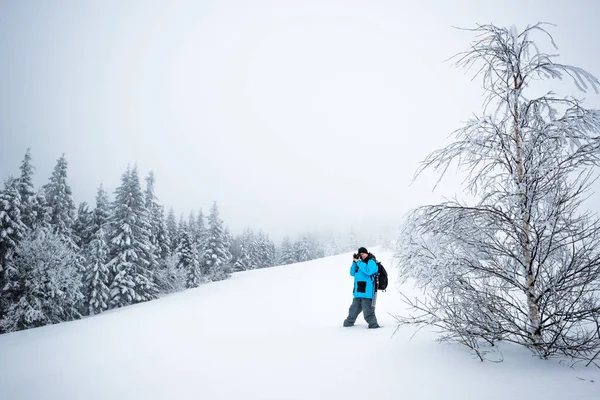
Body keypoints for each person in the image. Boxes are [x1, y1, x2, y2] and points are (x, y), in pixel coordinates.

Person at [343, 246, 381, 329]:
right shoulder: (359, 263)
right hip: (358, 292)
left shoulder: (371, 261)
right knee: (352, 311)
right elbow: (352, 273)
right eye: (360, 254)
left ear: (367, 253)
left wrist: (359, 262)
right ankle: (347, 325)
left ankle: (374, 327)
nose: (362, 255)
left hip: (367, 293)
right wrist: (354, 262)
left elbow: (369, 271)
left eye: (363, 254)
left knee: (368, 313)